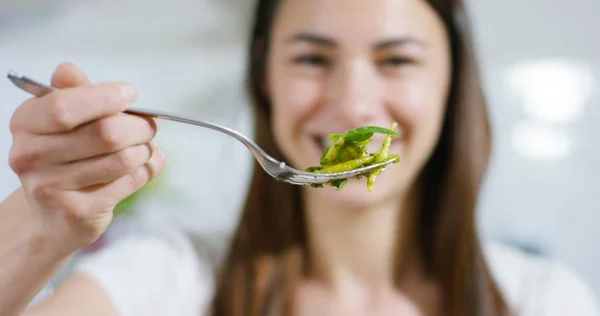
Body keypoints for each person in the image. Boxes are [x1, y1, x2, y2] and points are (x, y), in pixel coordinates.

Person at [1, 0, 598, 315]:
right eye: (312, 59)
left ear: (451, 86)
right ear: (266, 82)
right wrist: (36, 225)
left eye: (398, 60)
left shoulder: (545, 300)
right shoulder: (167, 277)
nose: (353, 102)